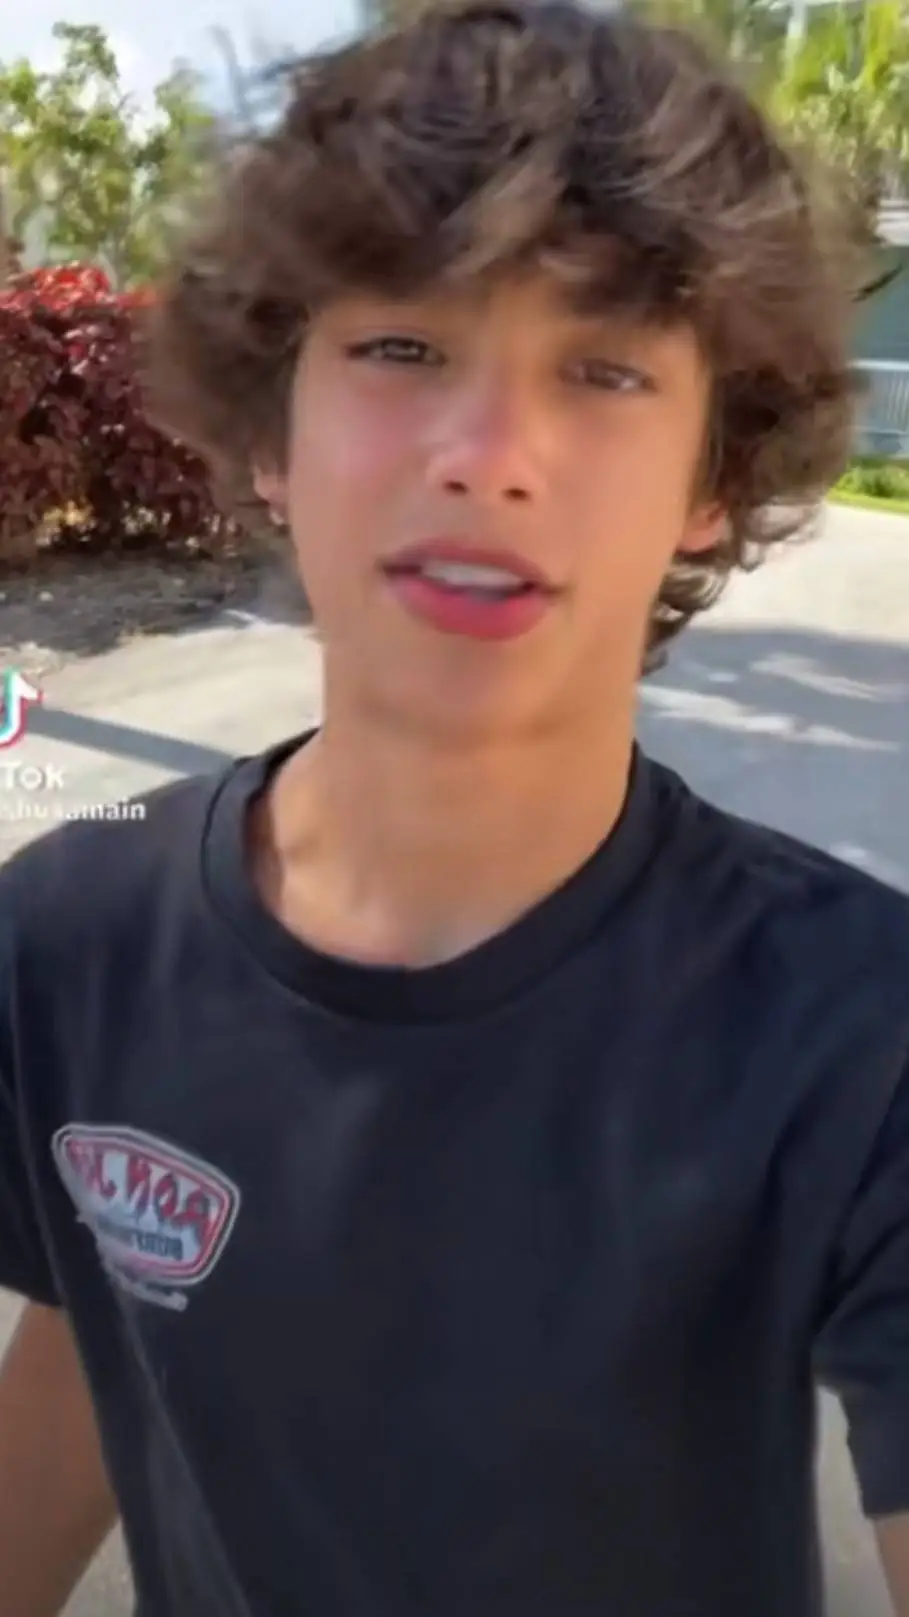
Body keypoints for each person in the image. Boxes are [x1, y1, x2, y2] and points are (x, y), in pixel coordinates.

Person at [1, 2, 909, 1613]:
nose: (491, 456)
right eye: (403, 348)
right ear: (272, 430)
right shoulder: (67, 938)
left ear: (712, 480)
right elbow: (99, 1323)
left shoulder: (859, 1031)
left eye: (605, 368)